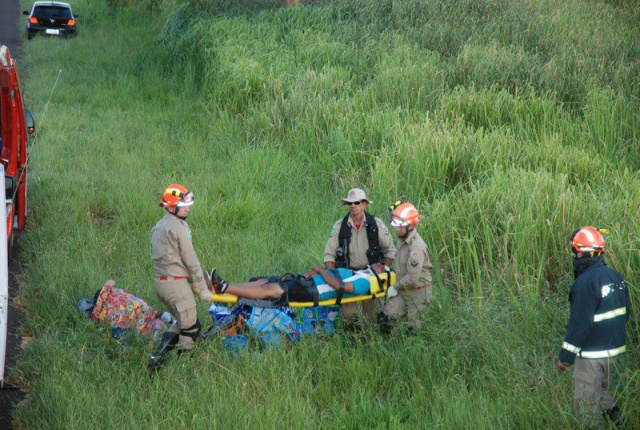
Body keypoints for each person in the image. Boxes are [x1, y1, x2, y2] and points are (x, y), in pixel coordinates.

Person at [556, 226, 630, 427]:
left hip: (592, 355)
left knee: (586, 404)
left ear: (580, 252)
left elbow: (580, 325)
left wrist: (565, 358)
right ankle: (619, 424)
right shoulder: (616, 277)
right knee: (602, 391)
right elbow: (626, 313)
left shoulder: (585, 283)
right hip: (613, 352)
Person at [148, 184, 211, 369]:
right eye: (184, 205)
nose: (188, 208)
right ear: (171, 206)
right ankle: (183, 367)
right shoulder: (180, 227)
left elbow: (170, 260)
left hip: (162, 284)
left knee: (183, 323)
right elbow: (191, 260)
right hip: (176, 286)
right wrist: (203, 288)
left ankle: (157, 358)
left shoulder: (158, 226)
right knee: (191, 329)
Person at [324, 188, 396, 329]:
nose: (353, 206)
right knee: (349, 315)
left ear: (364, 204)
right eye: (349, 203)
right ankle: (353, 341)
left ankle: (372, 340)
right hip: (348, 275)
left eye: (357, 202)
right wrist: (334, 275)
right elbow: (329, 253)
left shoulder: (376, 224)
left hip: (371, 275)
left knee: (372, 316)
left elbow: (391, 250)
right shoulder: (340, 226)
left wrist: (384, 271)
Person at [378, 202, 433, 334]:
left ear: (410, 225)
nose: (397, 229)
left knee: (412, 332)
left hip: (418, 293)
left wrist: (395, 287)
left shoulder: (416, 248)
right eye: (396, 225)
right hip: (403, 290)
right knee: (384, 318)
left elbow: (413, 279)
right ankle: (389, 344)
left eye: (400, 226)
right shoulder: (401, 239)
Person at [207, 264, 387, 304]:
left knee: (271, 289)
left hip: (314, 291)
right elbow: (335, 276)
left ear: (381, 274)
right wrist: (318, 272)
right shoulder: (359, 273)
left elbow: (340, 287)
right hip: (309, 282)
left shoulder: (366, 283)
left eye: (383, 266)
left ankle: (223, 287)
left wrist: (321, 271)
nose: (379, 263)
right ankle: (222, 287)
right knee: (266, 280)